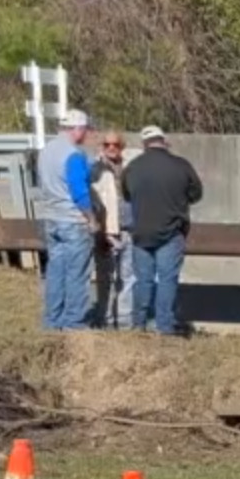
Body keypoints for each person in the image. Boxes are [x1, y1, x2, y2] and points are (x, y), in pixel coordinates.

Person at [121, 125, 202, 337]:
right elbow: (196, 193)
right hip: (171, 232)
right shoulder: (181, 165)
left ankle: (138, 325)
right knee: (167, 280)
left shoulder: (133, 167)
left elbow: (127, 195)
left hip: (141, 233)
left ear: (144, 144)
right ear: (164, 141)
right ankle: (164, 327)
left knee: (143, 280)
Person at [32, 110, 97, 331]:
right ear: (77, 129)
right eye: (86, 130)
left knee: (55, 272)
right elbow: (79, 191)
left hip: (51, 218)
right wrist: (91, 218)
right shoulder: (73, 154)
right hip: (73, 220)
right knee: (77, 274)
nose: (87, 134)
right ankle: (74, 323)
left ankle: (51, 321)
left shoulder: (46, 151)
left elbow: (57, 177)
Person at [90, 130, 137, 330]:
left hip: (129, 230)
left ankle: (125, 321)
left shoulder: (130, 167)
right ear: (101, 147)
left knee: (128, 278)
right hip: (107, 232)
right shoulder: (94, 169)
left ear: (121, 147)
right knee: (105, 278)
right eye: (107, 144)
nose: (111, 148)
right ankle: (105, 320)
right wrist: (99, 230)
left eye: (115, 145)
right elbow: (91, 201)